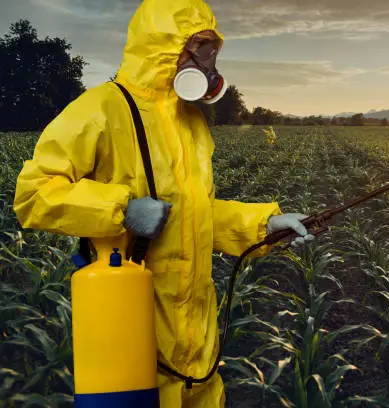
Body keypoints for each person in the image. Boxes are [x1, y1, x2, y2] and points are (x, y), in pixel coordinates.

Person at [12, 0, 314, 406]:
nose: (208, 62)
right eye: (201, 46)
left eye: (213, 49)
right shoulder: (99, 109)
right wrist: (121, 210)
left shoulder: (189, 120)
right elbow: (34, 194)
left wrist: (263, 225)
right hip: (130, 337)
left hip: (196, 349)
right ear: (164, 45)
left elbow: (191, 216)